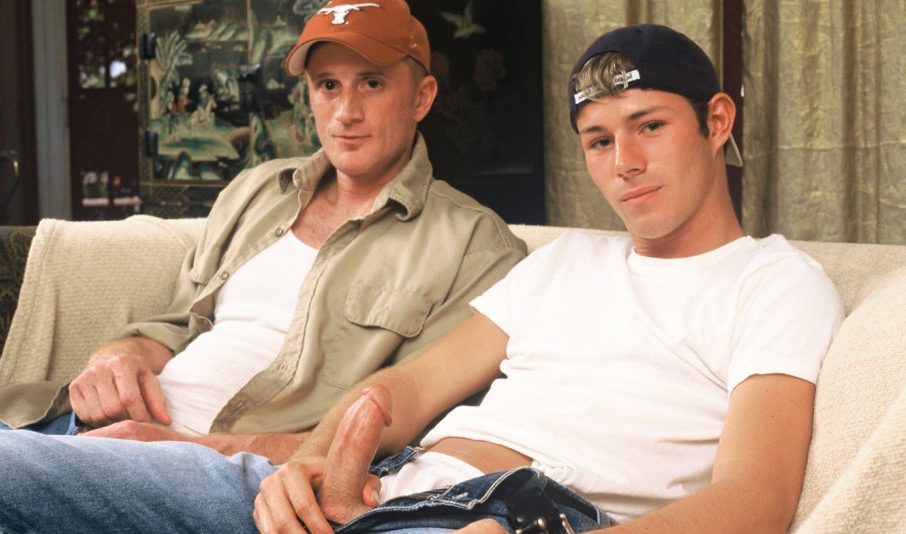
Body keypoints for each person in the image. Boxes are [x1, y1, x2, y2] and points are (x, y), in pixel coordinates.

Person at [249, 24, 846, 533]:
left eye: (649, 126)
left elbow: (755, 501)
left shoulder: (774, 281)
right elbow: (412, 386)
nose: (625, 163)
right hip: (389, 489)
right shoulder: (566, 259)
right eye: (600, 141)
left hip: (519, 515)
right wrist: (313, 458)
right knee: (185, 478)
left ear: (715, 121)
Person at [0, 0, 524, 467]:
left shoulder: (473, 246)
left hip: (217, 467)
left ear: (422, 97)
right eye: (328, 85)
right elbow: (179, 324)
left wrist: (198, 451)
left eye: (371, 83)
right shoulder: (258, 189)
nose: (345, 112)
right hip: (85, 426)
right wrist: (118, 356)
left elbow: (413, 437)